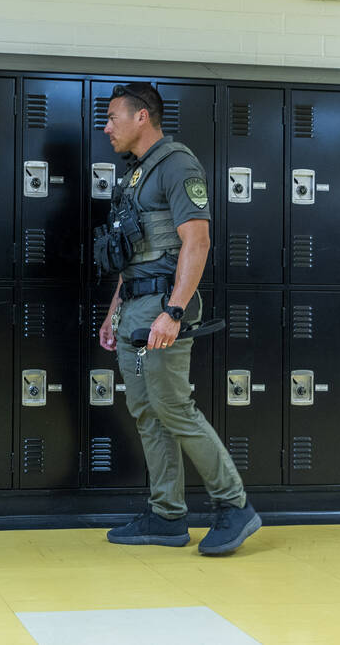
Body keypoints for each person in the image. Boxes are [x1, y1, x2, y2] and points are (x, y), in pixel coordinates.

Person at [96, 82, 261, 555]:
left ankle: (235, 506)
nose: (107, 127)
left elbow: (198, 241)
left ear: (141, 117)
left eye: (113, 117)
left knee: (173, 408)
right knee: (148, 413)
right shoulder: (136, 175)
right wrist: (113, 314)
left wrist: (173, 311)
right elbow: (135, 255)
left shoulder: (177, 165)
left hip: (163, 308)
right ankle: (167, 515)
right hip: (135, 306)